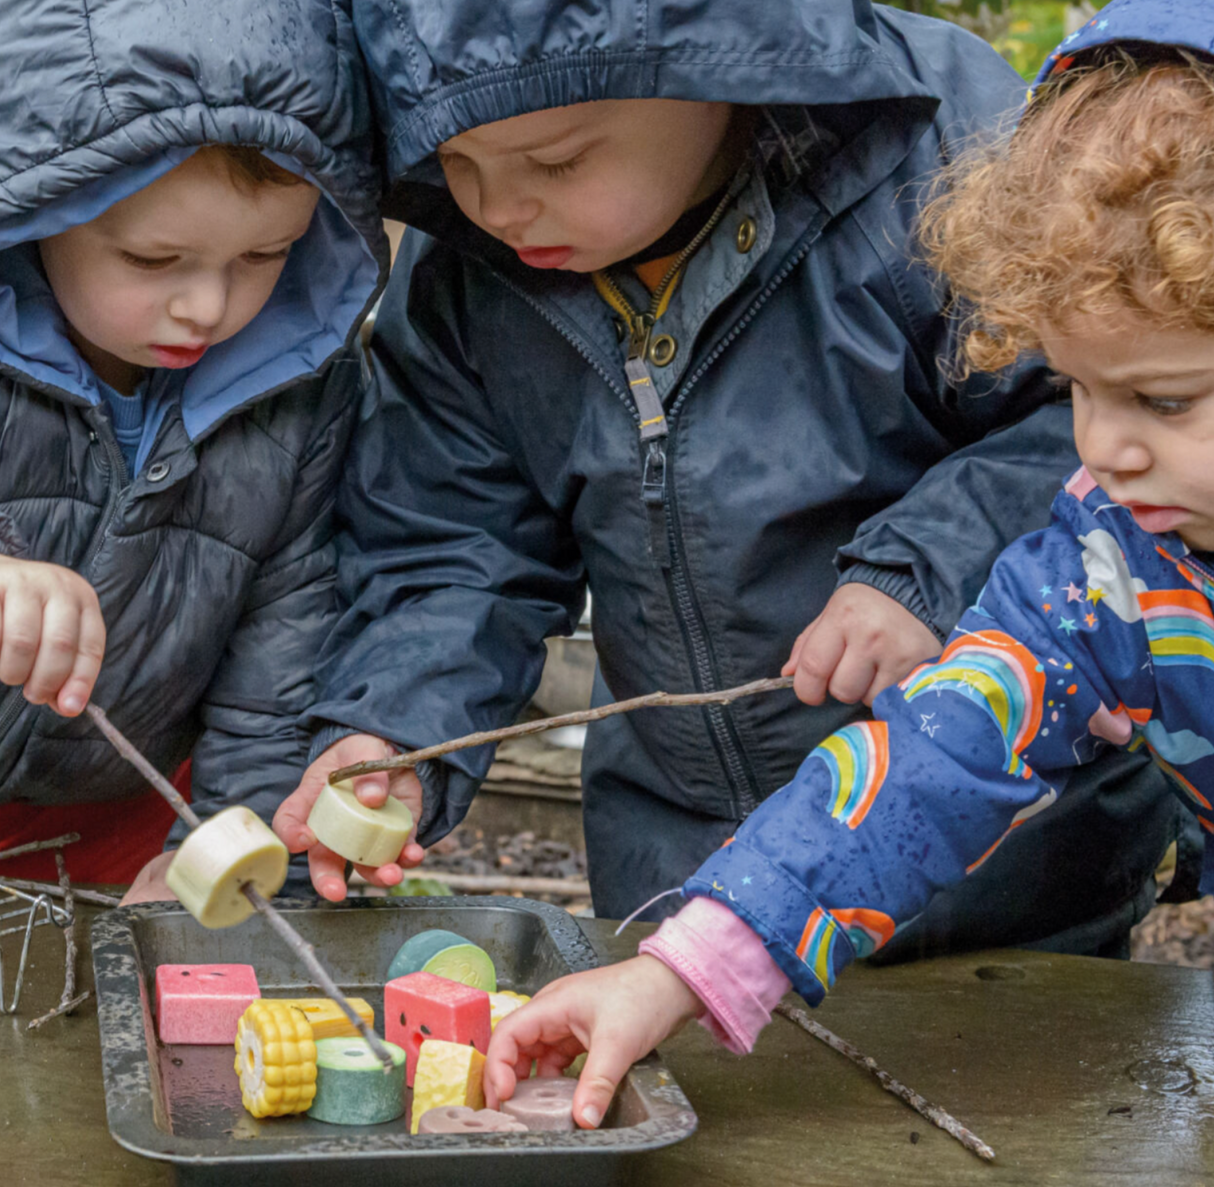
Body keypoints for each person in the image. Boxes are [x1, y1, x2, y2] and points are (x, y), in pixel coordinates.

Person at [277, 0, 1186, 960]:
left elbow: (1092, 427)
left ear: (712, 75)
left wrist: (925, 573)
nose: (497, 208)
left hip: (1007, 885)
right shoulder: (466, 268)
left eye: (558, 162)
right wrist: (399, 725)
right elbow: (455, 541)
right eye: (455, 163)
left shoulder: (944, 153)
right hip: (687, 876)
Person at [481, 0, 1214, 1131]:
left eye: (1162, 400)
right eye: (1077, 387)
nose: (1101, 447)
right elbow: (924, 765)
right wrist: (678, 968)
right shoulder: (1097, 575)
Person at [0, 0, 386, 896]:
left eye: (266, 255)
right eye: (152, 260)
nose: (209, 306)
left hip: (120, 827)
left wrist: (225, 841)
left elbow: (283, 647)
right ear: (39, 209)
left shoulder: (301, 389)